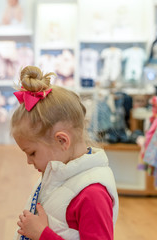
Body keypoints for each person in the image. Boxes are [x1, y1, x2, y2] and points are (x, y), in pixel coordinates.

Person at [10, 66, 119, 240]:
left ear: (62, 141)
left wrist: (42, 235)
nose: (29, 162)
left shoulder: (92, 194)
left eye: (32, 153)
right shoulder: (60, 172)